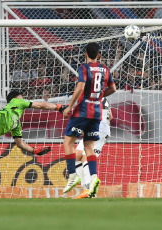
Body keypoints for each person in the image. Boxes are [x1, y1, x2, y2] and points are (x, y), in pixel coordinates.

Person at [62, 42, 116, 198]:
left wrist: (70, 106)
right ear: (99, 55)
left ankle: (72, 176)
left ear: (85, 54)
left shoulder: (84, 68)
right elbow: (113, 89)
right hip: (97, 113)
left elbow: (80, 87)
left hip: (83, 111)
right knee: (88, 147)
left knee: (68, 142)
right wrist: (99, 96)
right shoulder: (105, 70)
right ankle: (93, 178)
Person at [73, 97, 113, 199]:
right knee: (77, 155)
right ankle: (86, 189)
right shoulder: (103, 98)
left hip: (99, 130)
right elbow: (111, 116)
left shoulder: (91, 97)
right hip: (100, 128)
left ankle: (89, 189)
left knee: (85, 155)